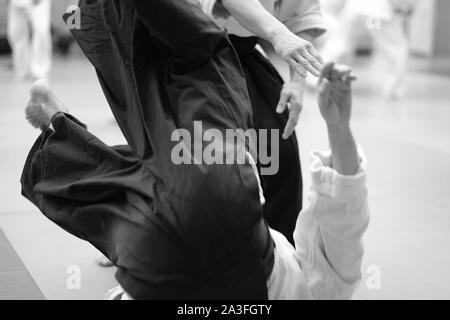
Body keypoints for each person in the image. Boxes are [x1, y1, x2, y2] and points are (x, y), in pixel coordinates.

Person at [21, 0, 368, 299]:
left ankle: (62, 125)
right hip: (155, 268)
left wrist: (338, 124)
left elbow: (344, 212)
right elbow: (344, 213)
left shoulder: (322, 289)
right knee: (142, 184)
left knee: (201, 76)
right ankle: (58, 128)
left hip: (229, 221)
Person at [207, 0, 327, 244]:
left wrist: (297, 81)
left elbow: (300, 14)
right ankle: (147, 243)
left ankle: (277, 251)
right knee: (195, 155)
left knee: (278, 152)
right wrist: (277, 33)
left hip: (243, 55)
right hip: (187, 53)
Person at [318, 0, 416, 99]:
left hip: (353, 11)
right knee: (396, 49)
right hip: (376, 16)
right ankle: (392, 89)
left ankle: (316, 77)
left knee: (339, 44)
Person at [7, 0, 52, 80]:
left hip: (39, 3)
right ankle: (21, 69)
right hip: (15, 4)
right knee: (17, 34)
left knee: (41, 31)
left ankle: (40, 70)